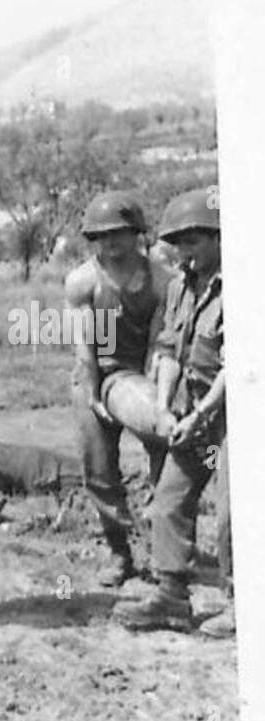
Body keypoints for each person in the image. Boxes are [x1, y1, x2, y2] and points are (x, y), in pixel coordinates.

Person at [114, 188, 232, 635]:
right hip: (191, 412)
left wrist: (200, 415)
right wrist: (164, 410)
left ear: (219, 238)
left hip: (230, 416)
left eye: (194, 242)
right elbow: (168, 351)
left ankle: (243, 603)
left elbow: (238, 365)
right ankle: (171, 597)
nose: (185, 252)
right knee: (168, 502)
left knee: (231, 514)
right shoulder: (182, 284)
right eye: (179, 243)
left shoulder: (241, 282)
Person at [65, 192, 171, 585]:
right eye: (100, 236)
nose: (109, 243)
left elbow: (163, 345)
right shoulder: (84, 281)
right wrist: (92, 395)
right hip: (94, 375)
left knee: (166, 452)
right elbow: (84, 346)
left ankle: (169, 551)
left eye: (118, 234)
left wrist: (157, 399)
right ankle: (119, 553)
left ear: (136, 233)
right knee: (99, 469)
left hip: (141, 377)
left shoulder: (162, 280)